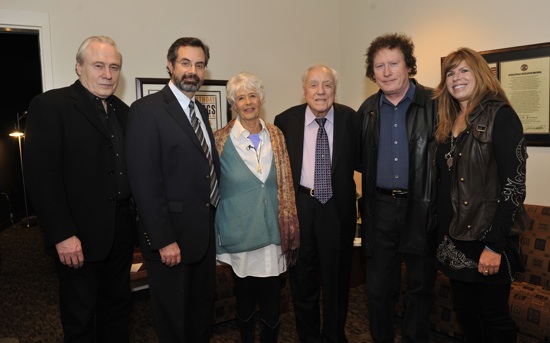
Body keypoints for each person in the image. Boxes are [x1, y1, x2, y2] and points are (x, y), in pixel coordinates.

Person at [24, 36, 135, 342]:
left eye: (114, 67)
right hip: (78, 238)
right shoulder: (50, 105)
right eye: (99, 65)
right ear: (79, 67)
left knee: (118, 312)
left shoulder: (124, 112)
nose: (108, 74)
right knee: (80, 319)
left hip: (121, 234)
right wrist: (62, 234)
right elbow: (41, 177)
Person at [125, 37, 218, 342]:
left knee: (201, 318)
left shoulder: (201, 112)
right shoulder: (146, 110)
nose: (193, 71)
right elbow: (144, 183)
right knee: (174, 324)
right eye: (185, 63)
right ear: (170, 65)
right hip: (171, 241)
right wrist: (164, 240)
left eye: (199, 64)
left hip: (202, 238)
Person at [433, 47, 526, 343]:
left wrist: (494, 246)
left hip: (488, 240)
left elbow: (514, 186)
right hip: (455, 240)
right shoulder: (449, 122)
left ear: (480, 74)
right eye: (450, 72)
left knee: (495, 321)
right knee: (467, 315)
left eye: (464, 70)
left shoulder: (502, 116)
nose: (456, 78)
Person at [357, 33, 438, 343]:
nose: (387, 72)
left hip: (422, 206)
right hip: (380, 210)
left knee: (420, 286)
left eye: (393, 63)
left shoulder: (435, 104)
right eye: (380, 66)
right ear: (372, 71)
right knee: (378, 288)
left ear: (409, 67)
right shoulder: (367, 110)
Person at [274, 64, 361, 342]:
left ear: (335, 90)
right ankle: (308, 337)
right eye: (314, 85)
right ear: (304, 90)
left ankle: (335, 336)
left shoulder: (352, 120)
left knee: (337, 281)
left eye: (327, 85)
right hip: (302, 207)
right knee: (303, 280)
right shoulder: (285, 120)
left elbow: (364, 163)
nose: (320, 91)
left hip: (338, 209)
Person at [213, 72, 300, 342]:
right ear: (233, 104)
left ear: (260, 99)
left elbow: (284, 181)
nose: (248, 102)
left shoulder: (276, 135)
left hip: (273, 233)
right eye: (241, 97)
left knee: (272, 297)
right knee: (246, 297)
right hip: (240, 234)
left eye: (252, 96)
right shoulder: (220, 140)